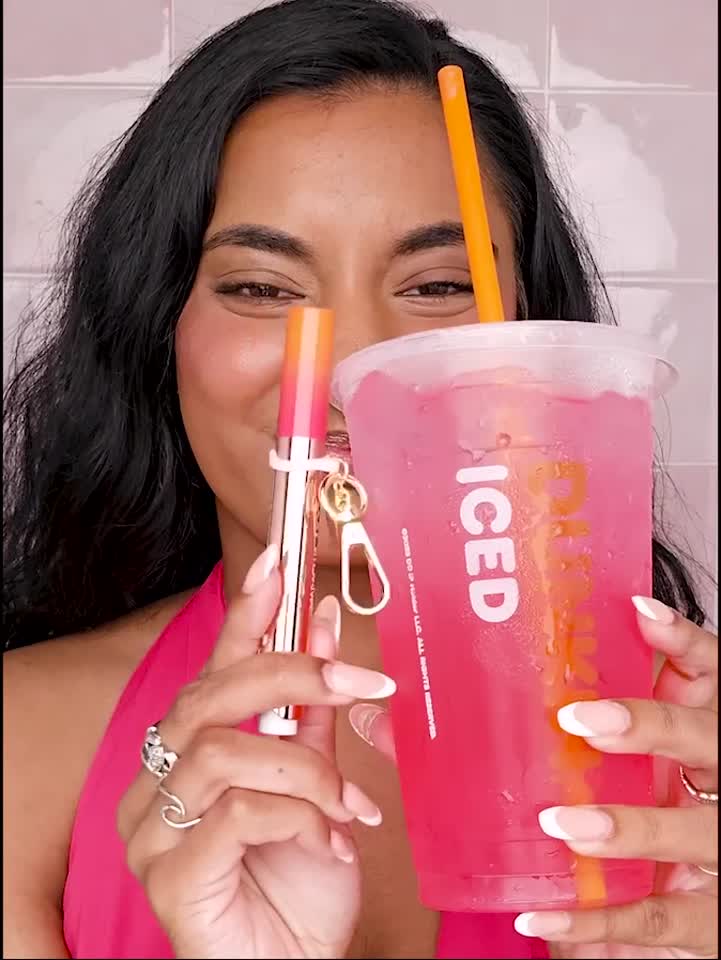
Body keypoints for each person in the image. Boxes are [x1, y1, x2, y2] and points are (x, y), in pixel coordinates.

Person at [3, 0, 717, 957]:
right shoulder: (18, 747)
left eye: (437, 286)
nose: (353, 370)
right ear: (157, 330)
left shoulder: (686, 758)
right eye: (262, 288)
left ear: (537, 339)